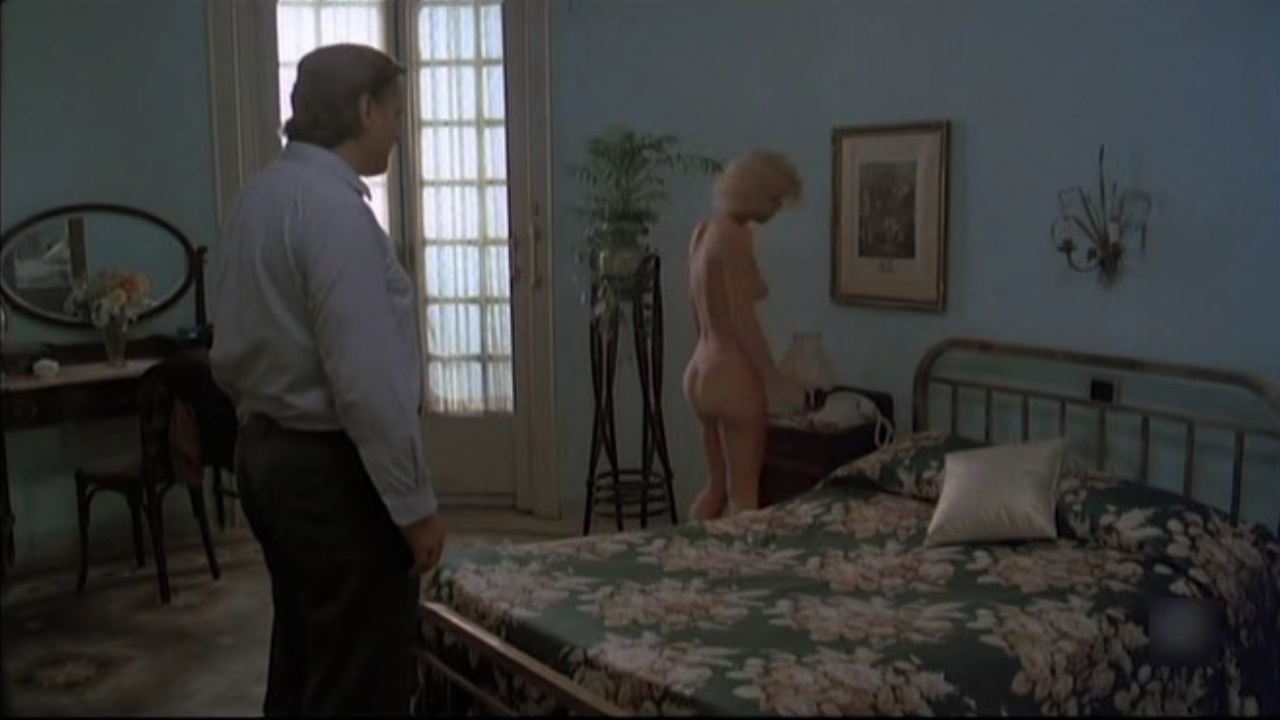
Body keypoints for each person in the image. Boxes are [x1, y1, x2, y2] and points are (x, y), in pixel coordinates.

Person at [207, 44, 446, 717]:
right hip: (330, 472)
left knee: (305, 653)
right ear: (365, 110)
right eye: (396, 115)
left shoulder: (259, 197)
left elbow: (231, 345)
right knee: (361, 680)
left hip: (266, 457)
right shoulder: (334, 214)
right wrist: (415, 506)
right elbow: (366, 382)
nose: (399, 132)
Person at [683, 149, 807, 521]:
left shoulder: (703, 231)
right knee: (744, 494)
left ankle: (688, 550)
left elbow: (697, 308)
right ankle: (742, 556)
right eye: (775, 199)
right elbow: (743, 319)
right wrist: (773, 377)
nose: (777, 209)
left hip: (700, 369)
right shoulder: (735, 237)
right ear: (755, 193)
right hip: (731, 371)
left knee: (715, 486)